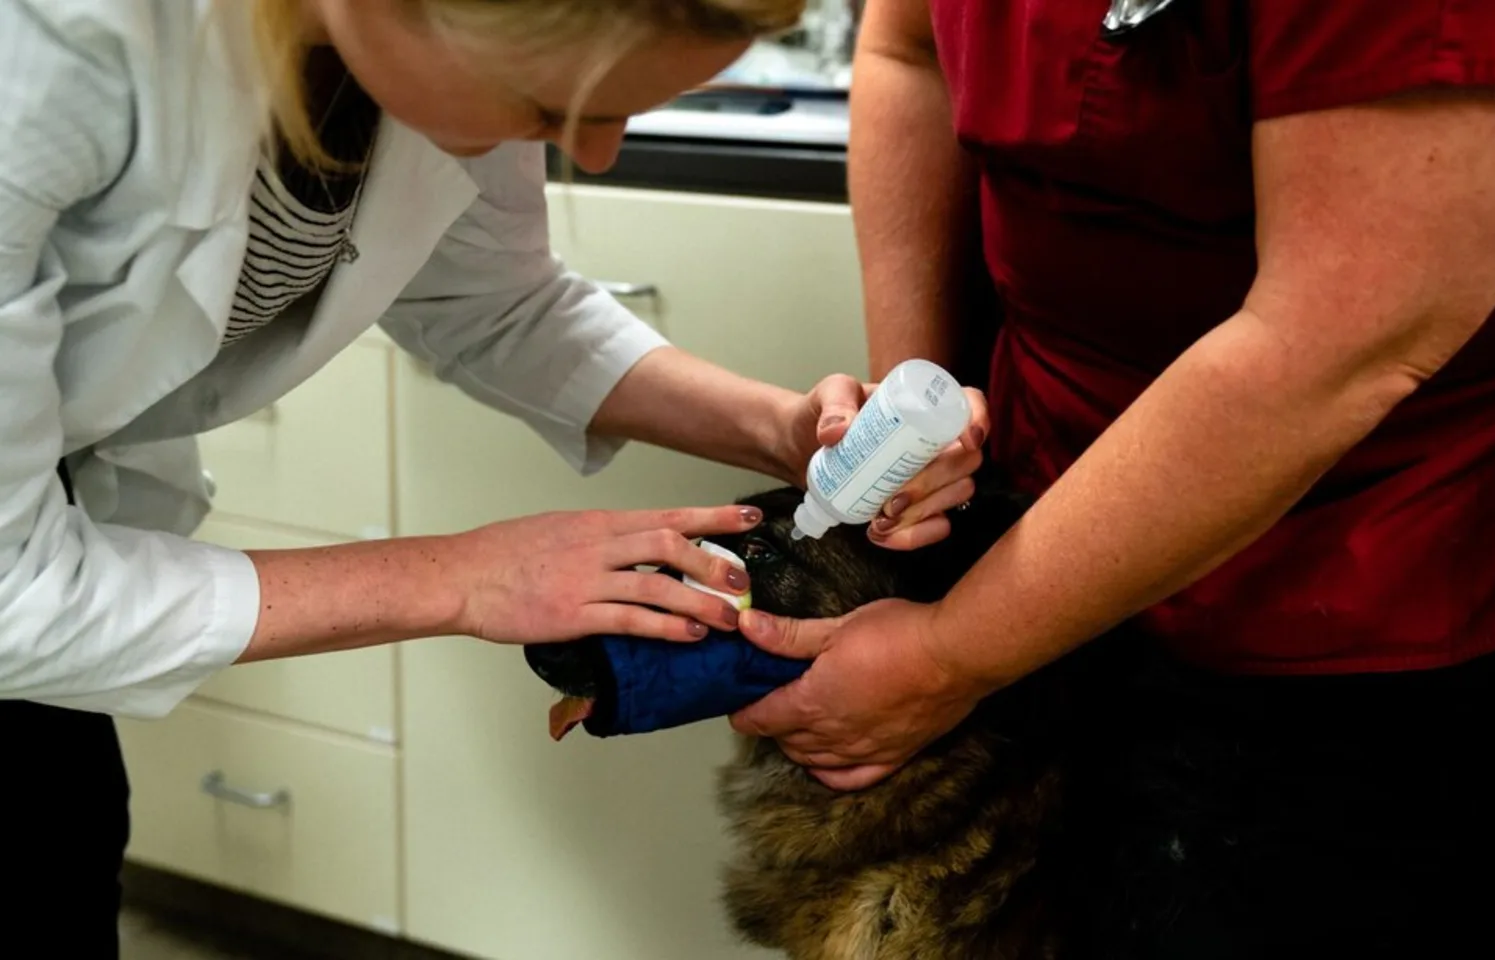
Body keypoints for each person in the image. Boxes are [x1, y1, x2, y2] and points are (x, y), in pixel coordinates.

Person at [0, 0, 986, 952]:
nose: (591, 153)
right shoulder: (47, 54)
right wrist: (463, 576)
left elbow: (496, 303)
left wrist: (780, 432)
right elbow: (12, 594)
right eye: (553, 111)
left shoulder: (452, 46)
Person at [731, 0, 1495, 956]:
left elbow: (1332, 351)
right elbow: (908, 48)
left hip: (1358, 596)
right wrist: (919, 413)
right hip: (1032, 519)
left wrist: (946, 658)